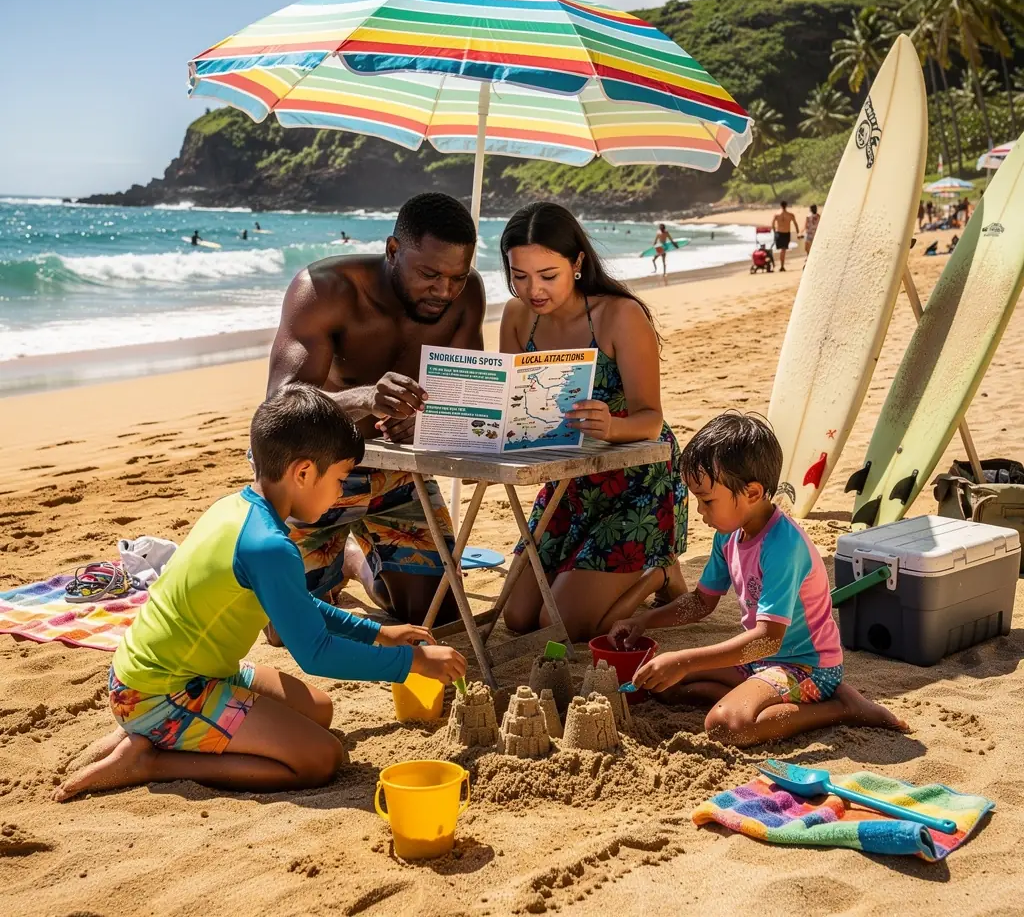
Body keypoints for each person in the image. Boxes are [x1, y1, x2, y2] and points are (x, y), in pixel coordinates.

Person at [53, 386, 466, 802]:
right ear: (304, 473)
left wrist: (379, 634)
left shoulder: (236, 507)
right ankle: (151, 760)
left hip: (171, 671)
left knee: (319, 711)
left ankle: (152, 729)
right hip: (166, 688)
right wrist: (411, 661)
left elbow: (299, 607)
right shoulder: (269, 546)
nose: (342, 494)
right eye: (340, 479)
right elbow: (316, 653)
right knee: (320, 759)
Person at [609, 412, 908, 746]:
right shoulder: (729, 533)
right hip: (759, 662)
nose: (700, 511)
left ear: (751, 492)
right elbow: (700, 602)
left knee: (727, 725)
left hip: (806, 668)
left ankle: (842, 706)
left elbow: (768, 639)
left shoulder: (782, 546)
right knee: (666, 686)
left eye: (707, 500)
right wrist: (644, 621)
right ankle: (756, 694)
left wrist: (684, 659)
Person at [267, 192, 485, 626]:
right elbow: (277, 410)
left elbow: (466, 393)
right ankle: (335, 555)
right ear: (392, 250)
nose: (444, 291)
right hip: (313, 470)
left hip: (396, 473)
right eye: (429, 274)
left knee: (437, 615)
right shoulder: (324, 290)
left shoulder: (466, 295)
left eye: (456, 277)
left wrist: (427, 420)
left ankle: (353, 560)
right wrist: (364, 398)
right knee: (287, 628)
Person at [499, 202, 688, 642]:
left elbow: (651, 419)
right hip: (567, 481)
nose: (533, 291)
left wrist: (612, 426)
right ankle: (624, 572)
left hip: (636, 481)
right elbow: (513, 406)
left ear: (578, 263)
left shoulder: (619, 315)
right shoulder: (516, 317)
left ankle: (659, 572)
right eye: (519, 276)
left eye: (548, 275)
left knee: (557, 627)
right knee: (517, 617)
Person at [770, 202, 798, 272]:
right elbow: (795, 223)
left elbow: (772, 224)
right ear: (786, 205)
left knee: (782, 250)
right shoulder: (790, 215)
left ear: (780, 205)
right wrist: (797, 232)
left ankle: (781, 265)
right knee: (783, 250)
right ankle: (782, 266)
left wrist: (774, 232)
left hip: (779, 233)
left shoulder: (776, 214)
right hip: (786, 233)